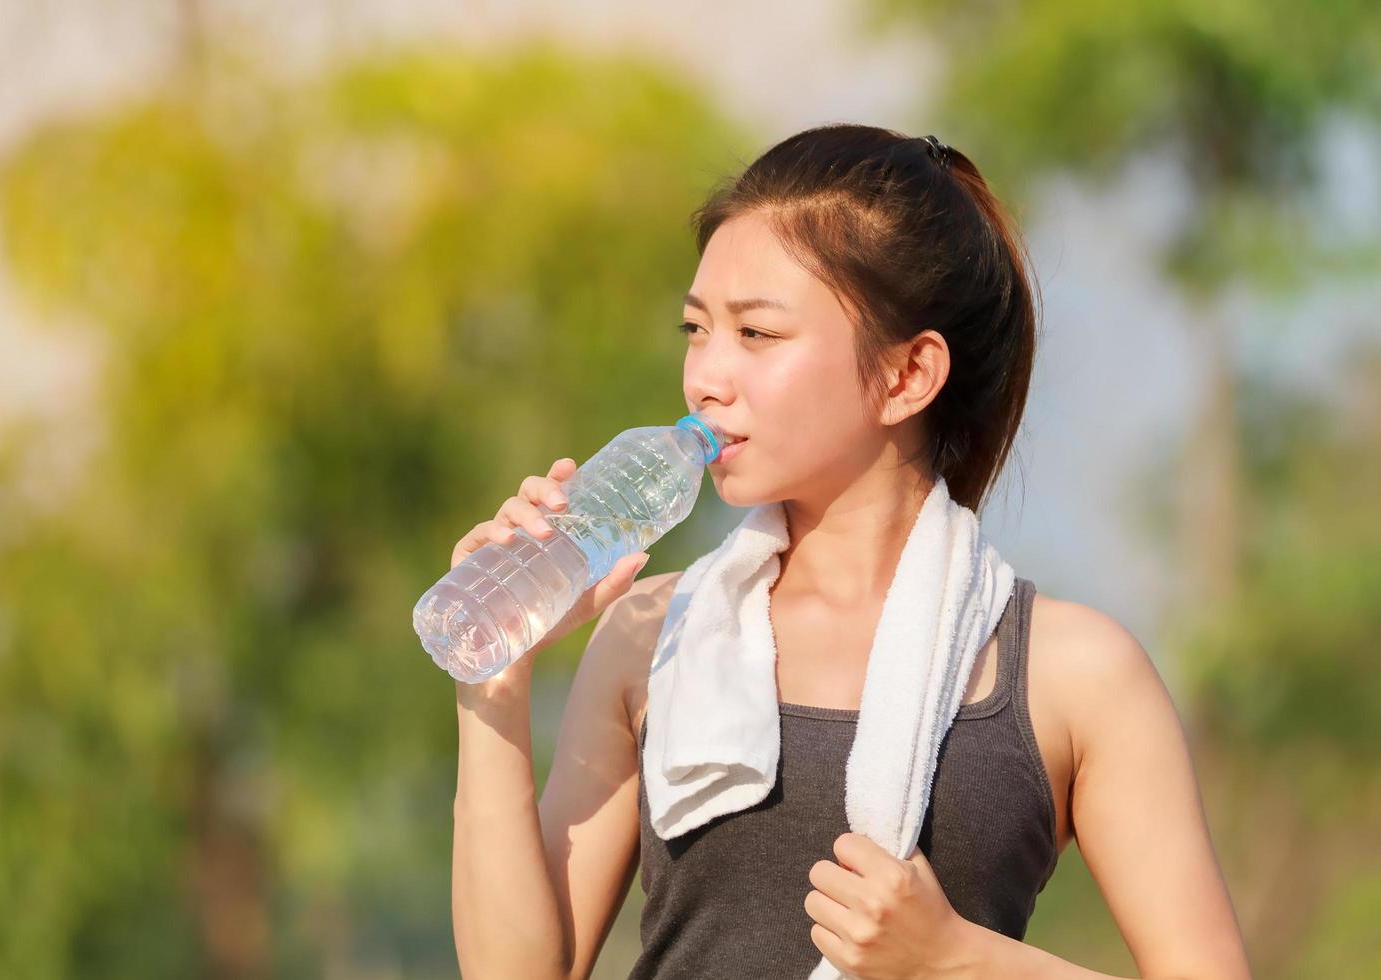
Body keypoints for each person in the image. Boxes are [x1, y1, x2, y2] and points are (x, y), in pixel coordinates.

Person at [450, 124, 1252, 979]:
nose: (704, 377)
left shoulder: (1072, 673)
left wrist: (955, 960)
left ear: (908, 376)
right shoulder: (652, 633)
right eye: (695, 329)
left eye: (756, 334)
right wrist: (493, 686)